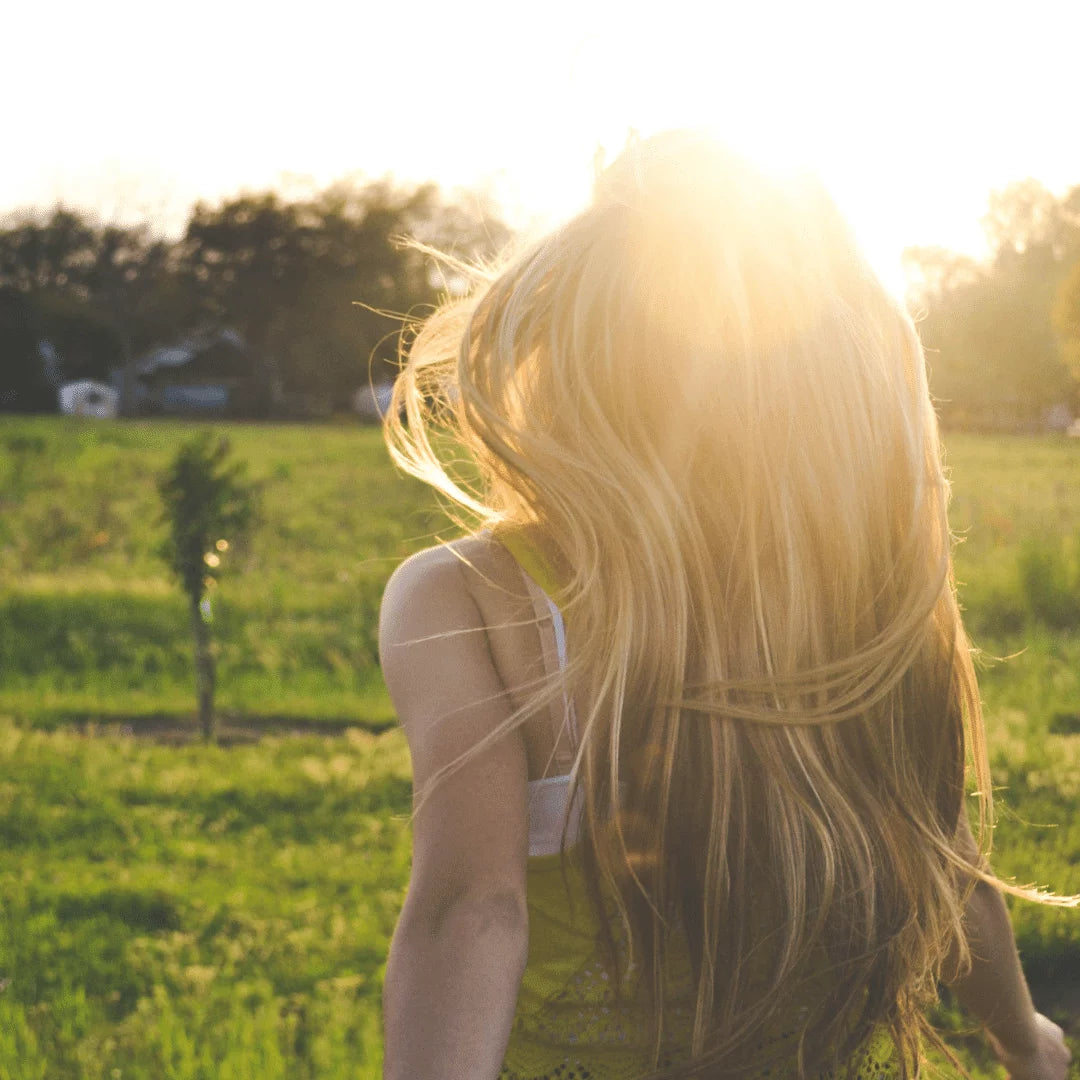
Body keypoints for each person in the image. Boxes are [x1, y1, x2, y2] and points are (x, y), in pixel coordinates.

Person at [378, 131, 1075, 1080]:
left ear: (569, 358)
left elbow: (472, 908)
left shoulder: (471, 596)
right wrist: (1020, 1038)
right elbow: (941, 858)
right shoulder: (859, 608)